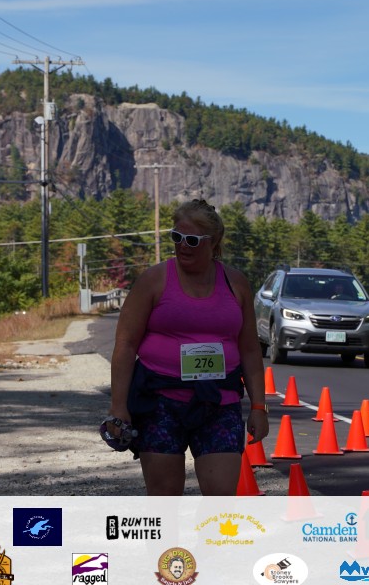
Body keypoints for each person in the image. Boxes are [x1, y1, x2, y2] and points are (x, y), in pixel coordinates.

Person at [108, 199, 269, 495]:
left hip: (219, 402)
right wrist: (119, 407)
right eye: (177, 237)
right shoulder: (153, 280)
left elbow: (249, 349)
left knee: (221, 496)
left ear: (214, 242)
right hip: (159, 404)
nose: (183, 246)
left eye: (192, 240)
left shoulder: (236, 284)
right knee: (165, 500)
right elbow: (126, 345)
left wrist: (259, 407)